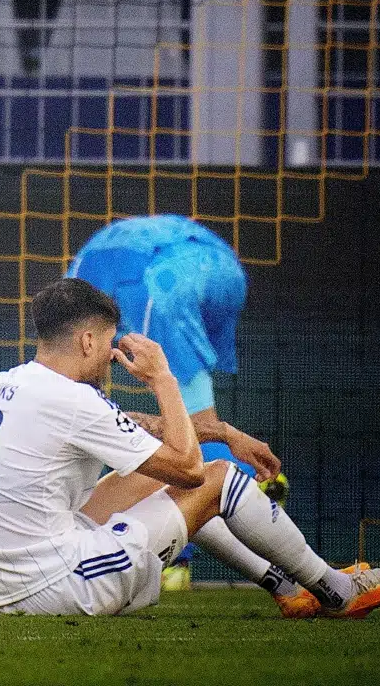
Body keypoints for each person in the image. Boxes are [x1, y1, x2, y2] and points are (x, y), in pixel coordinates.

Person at [0, 278, 380, 618]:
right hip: (56, 587)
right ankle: (339, 590)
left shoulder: (11, 383)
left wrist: (223, 432)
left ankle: (288, 586)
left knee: (150, 476)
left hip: (1, 582)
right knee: (215, 479)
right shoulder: (75, 400)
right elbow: (186, 468)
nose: (112, 354)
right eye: (107, 342)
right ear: (86, 340)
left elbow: (141, 430)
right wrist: (163, 376)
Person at [69, 214, 284, 595]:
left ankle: (197, 538)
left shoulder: (88, 297)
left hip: (165, 278)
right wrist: (225, 431)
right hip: (224, 268)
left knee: (180, 458)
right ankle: (260, 506)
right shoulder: (95, 270)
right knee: (188, 435)